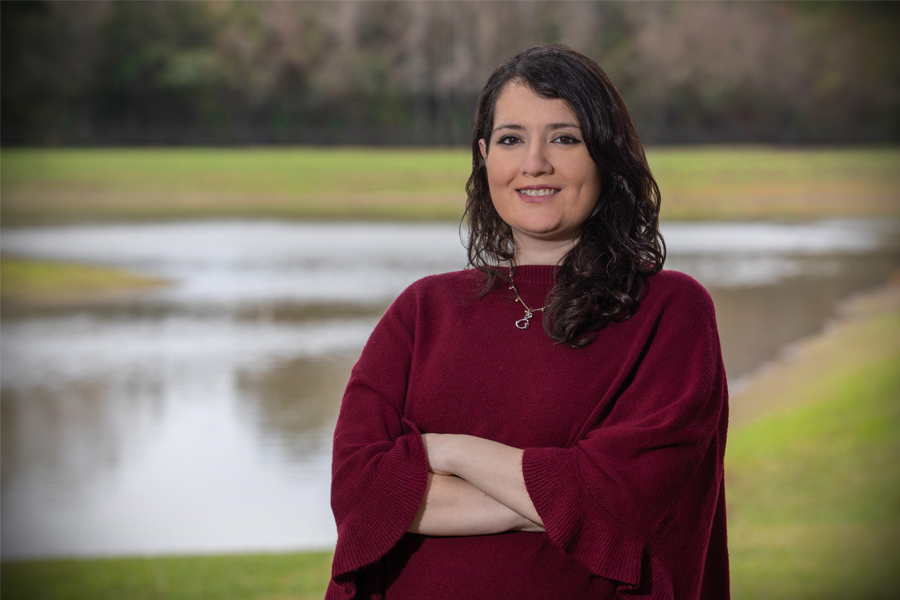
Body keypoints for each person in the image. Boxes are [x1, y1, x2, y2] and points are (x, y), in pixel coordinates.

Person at [327, 44, 729, 600]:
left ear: (605, 157)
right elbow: (359, 495)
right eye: (512, 139)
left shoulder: (670, 311)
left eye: (564, 138)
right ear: (485, 154)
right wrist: (566, 500)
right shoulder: (422, 311)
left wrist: (448, 452)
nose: (534, 163)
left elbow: (632, 506)